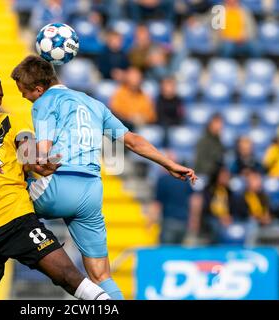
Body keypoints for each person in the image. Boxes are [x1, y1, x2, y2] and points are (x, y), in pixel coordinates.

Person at [11, 55, 197, 299]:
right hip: (90, 192)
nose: (24, 97)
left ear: (38, 88)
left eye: (24, 92)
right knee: (101, 275)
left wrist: (22, 152)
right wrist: (169, 163)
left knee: (7, 189)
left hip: (58, 188)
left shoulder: (44, 103)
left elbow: (43, 155)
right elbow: (132, 141)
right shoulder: (94, 104)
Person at [0, 72, 110, 300]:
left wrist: (40, 163)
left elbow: (27, 148)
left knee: (67, 275)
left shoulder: (12, 121)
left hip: (17, 220)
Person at [109, 66, 156, 132]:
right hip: (124, 125)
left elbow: (151, 114)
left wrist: (144, 118)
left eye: (138, 77)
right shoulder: (119, 93)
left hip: (141, 126)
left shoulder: (144, 95)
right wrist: (130, 117)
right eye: (133, 77)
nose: (136, 80)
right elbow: (115, 110)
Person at [194, 113, 226, 180]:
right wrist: (216, 171)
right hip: (204, 176)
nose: (220, 126)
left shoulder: (219, 141)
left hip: (215, 176)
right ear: (211, 124)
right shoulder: (203, 141)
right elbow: (201, 163)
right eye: (217, 123)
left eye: (221, 123)